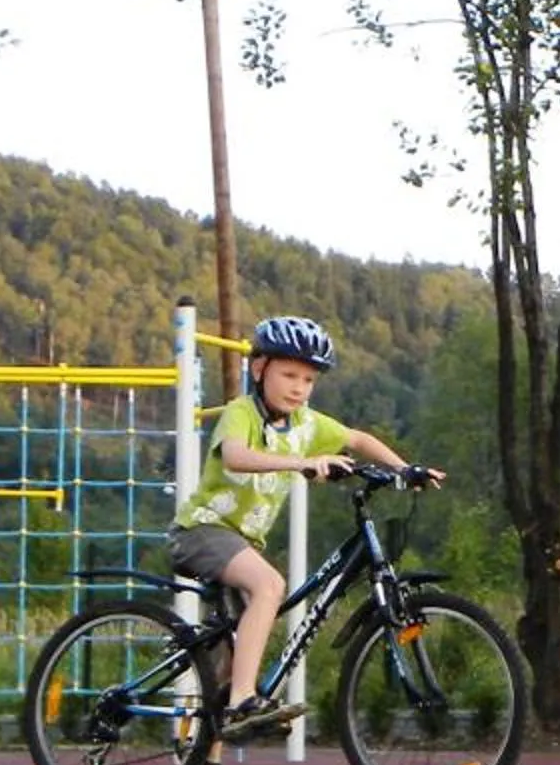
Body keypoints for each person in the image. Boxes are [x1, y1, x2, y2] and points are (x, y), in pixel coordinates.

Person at [167, 314, 440, 740]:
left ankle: (209, 757)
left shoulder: (306, 424)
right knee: (271, 586)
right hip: (202, 530)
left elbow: (357, 439)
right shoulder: (242, 413)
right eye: (289, 374)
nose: (299, 387)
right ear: (259, 370)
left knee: (235, 652)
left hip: (241, 543)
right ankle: (243, 701)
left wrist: (405, 469)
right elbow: (237, 456)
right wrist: (304, 463)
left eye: (309, 380)